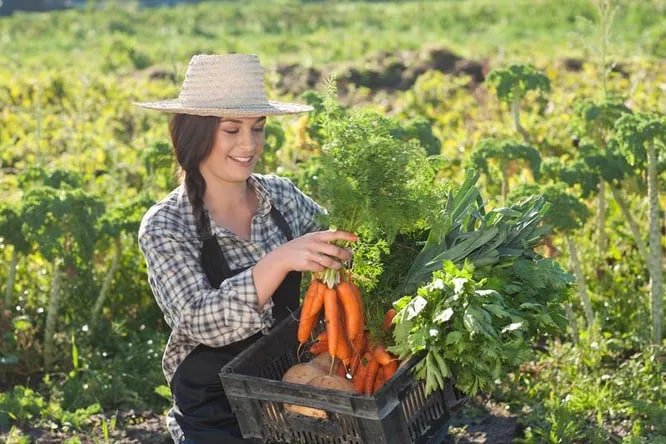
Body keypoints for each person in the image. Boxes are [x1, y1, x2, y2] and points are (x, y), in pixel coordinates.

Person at [135, 53, 356, 444]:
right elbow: (199, 320)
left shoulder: (283, 198)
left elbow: (342, 247)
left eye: (258, 128)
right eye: (231, 130)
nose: (249, 144)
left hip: (291, 398)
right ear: (195, 133)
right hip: (215, 414)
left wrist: (348, 252)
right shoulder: (167, 225)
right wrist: (276, 262)